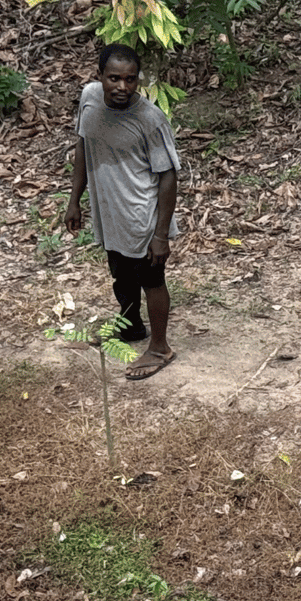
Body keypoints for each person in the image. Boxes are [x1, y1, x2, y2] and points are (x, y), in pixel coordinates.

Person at [64, 45, 182, 380]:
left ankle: (160, 348)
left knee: (151, 278)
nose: (122, 87)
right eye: (114, 78)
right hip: (109, 209)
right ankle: (131, 327)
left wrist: (160, 235)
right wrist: (74, 199)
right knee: (121, 273)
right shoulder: (89, 99)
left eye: (130, 80)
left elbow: (168, 176)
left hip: (142, 213)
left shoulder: (150, 120)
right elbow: (84, 146)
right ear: (99, 75)